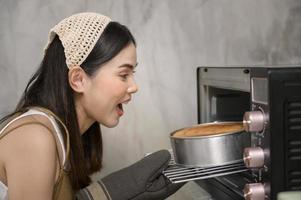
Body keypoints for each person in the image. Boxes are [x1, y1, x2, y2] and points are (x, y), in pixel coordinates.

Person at [0, 12, 183, 200]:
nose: (134, 86)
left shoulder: (64, 137)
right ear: (78, 79)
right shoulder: (34, 137)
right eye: (123, 74)